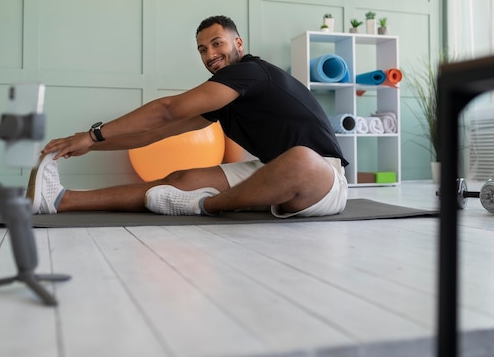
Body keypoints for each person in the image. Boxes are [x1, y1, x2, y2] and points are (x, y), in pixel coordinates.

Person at [28, 15, 349, 217]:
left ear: (238, 43)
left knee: (301, 159)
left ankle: (205, 206)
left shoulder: (252, 73)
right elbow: (153, 133)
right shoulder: (226, 97)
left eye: (216, 43)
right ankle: (60, 200)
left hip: (323, 178)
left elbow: (166, 110)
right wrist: (84, 146)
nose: (210, 55)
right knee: (182, 180)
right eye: (202, 49)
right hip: (272, 170)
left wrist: (91, 134)